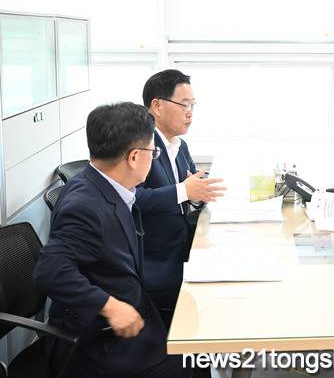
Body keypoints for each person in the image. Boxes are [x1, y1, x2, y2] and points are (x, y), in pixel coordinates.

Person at [33, 102, 207, 377]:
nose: (154, 158)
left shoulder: (110, 186)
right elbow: (50, 270)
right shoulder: (85, 205)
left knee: (197, 346)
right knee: (194, 361)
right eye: (153, 152)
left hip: (135, 315)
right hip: (99, 341)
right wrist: (110, 307)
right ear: (134, 157)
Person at [137, 69, 226, 328]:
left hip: (183, 243)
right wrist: (185, 191)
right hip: (158, 257)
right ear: (157, 106)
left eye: (193, 105)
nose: (190, 113)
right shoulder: (141, 145)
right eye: (184, 105)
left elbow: (191, 193)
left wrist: (197, 194)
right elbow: (132, 200)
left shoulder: (179, 145)